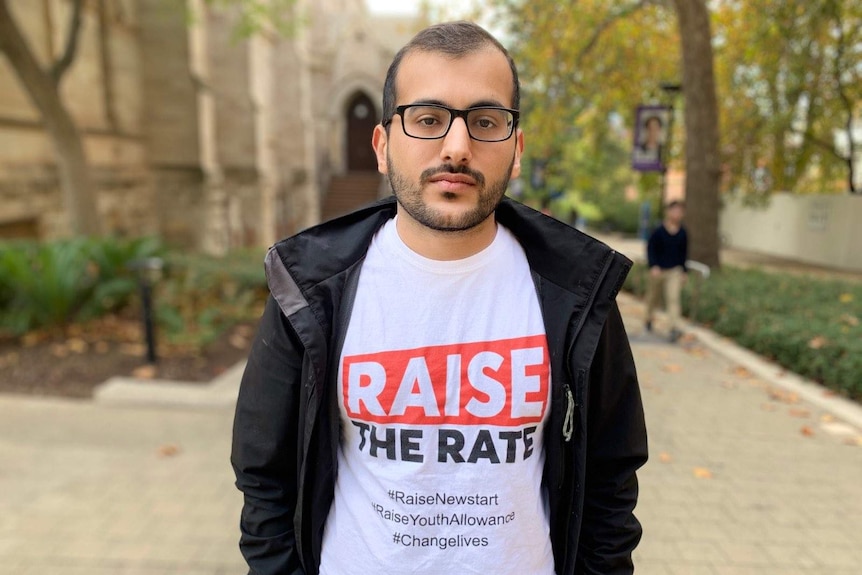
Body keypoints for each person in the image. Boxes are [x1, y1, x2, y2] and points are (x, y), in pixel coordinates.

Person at [231, 21, 647, 575]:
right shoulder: (308, 292)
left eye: (485, 121)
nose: (457, 147)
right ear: (383, 145)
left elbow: (610, 481)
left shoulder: (578, 295)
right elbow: (265, 477)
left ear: (515, 148)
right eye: (428, 119)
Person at [645, 200, 688, 342]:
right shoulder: (658, 231)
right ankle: (648, 318)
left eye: (679, 211)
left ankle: (673, 328)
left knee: (673, 298)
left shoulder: (683, 233)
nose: (676, 214)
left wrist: (684, 272)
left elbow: (684, 254)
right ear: (668, 212)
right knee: (653, 297)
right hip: (658, 270)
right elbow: (651, 249)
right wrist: (653, 265)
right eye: (674, 210)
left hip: (674, 271)